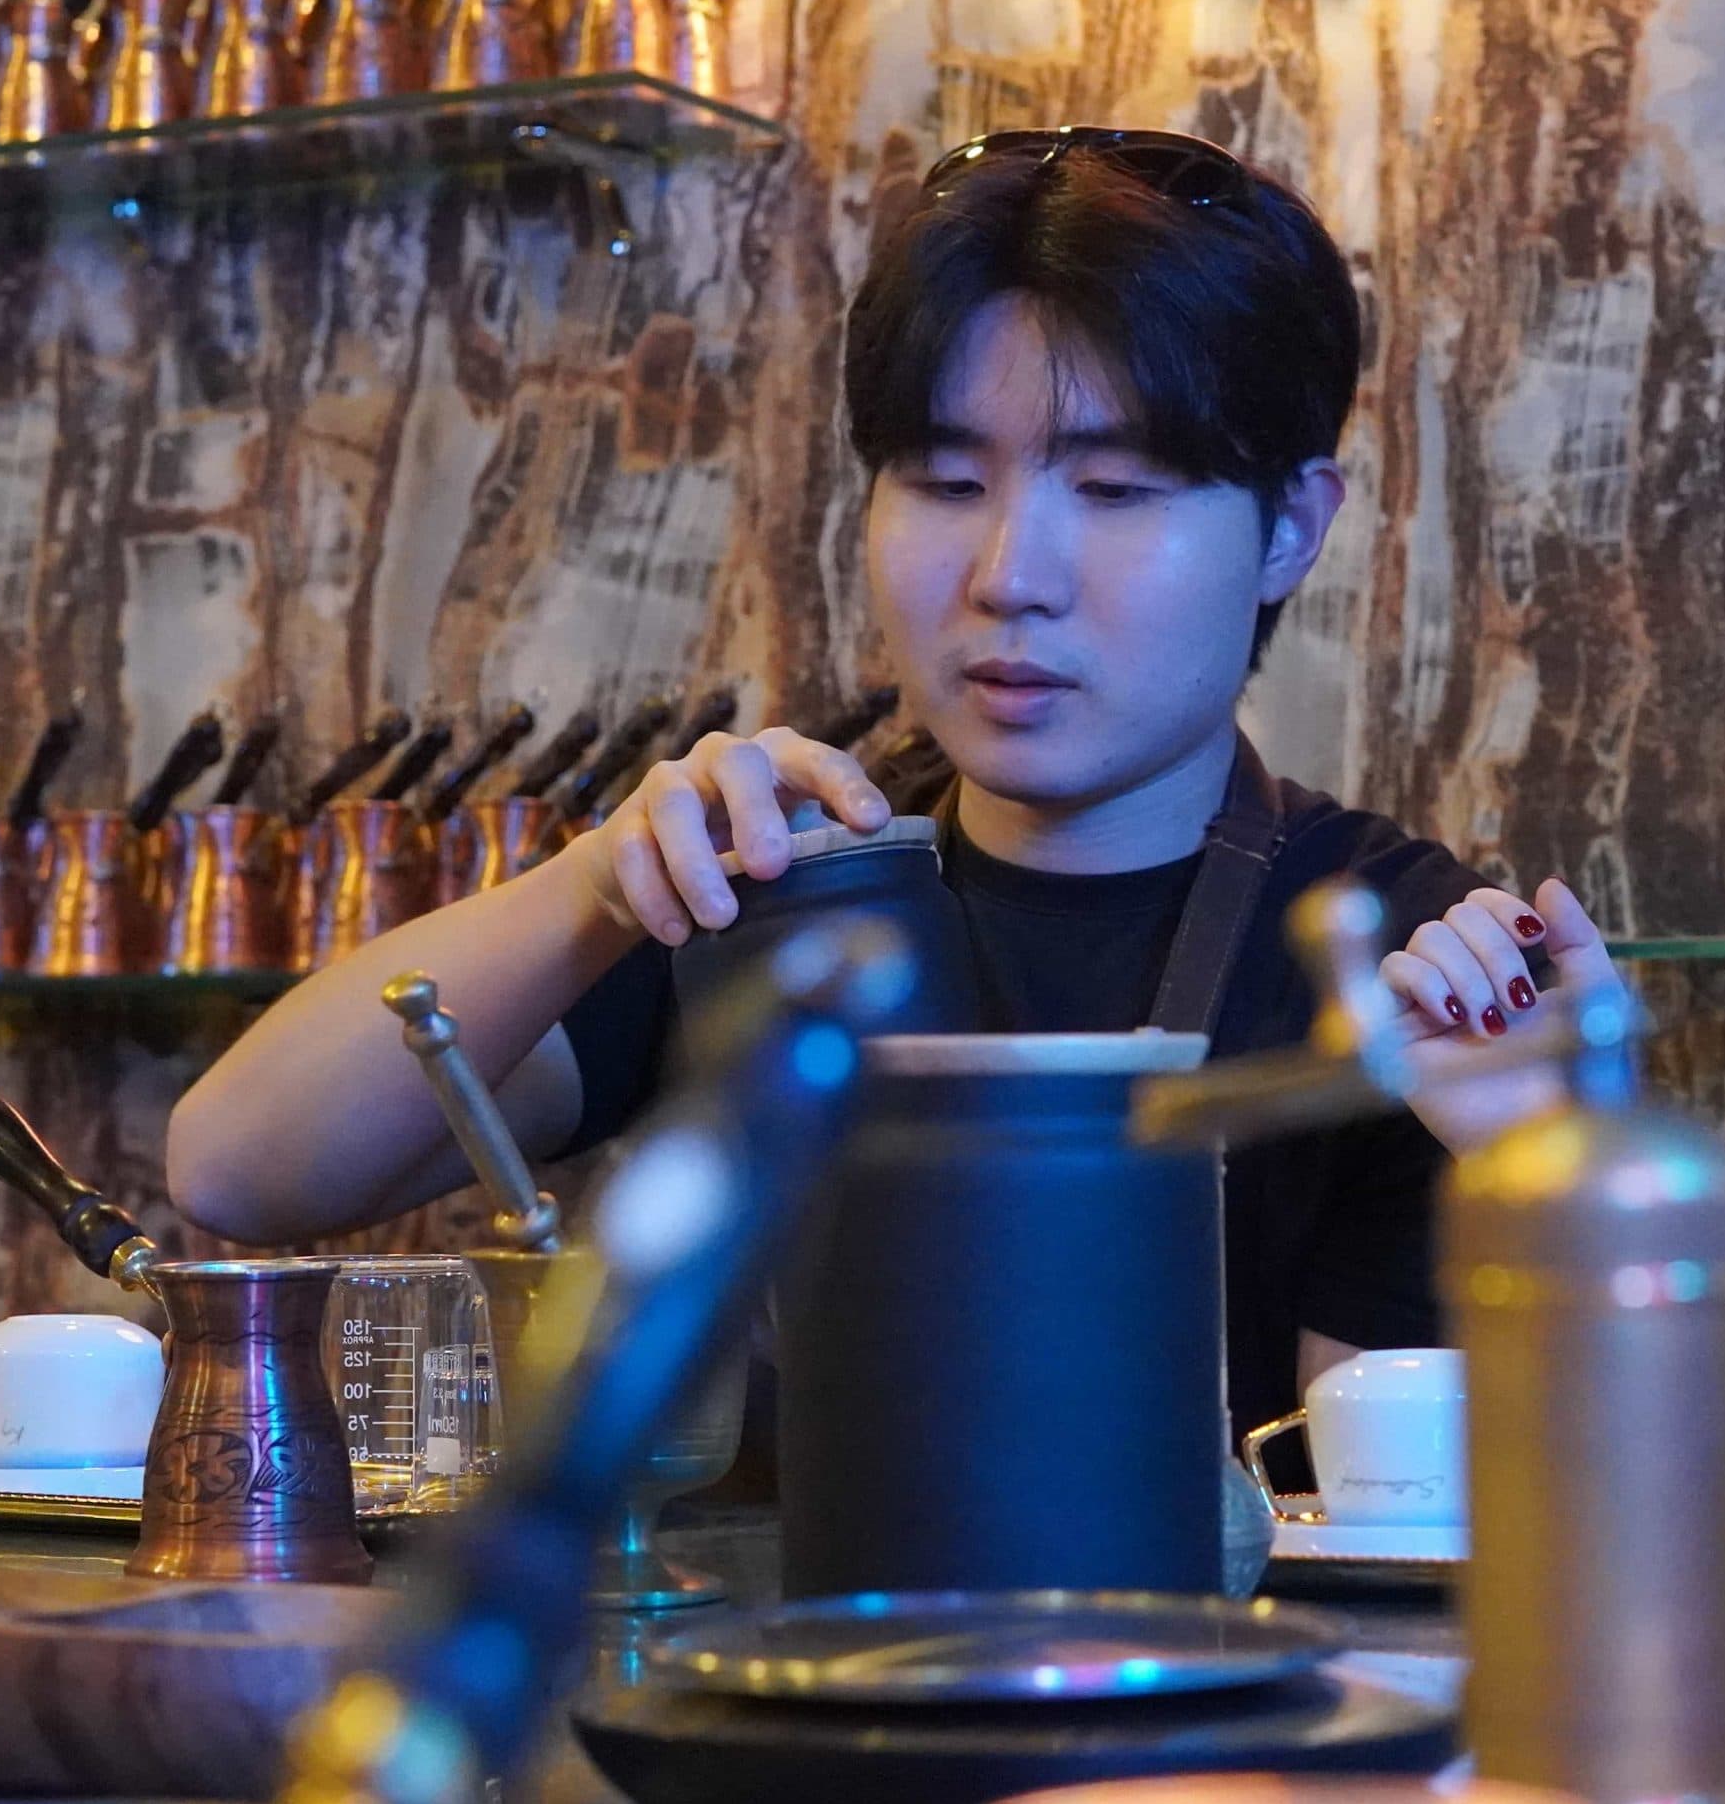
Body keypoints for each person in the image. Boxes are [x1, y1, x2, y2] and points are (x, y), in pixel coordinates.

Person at [167, 125, 1612, 1445]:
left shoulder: (1405, 967)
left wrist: (1535, 1176)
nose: (1009, 579)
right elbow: (240, 1173)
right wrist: (599, 886)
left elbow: (1395, 1556)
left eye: (1114, 492)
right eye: (943, 479)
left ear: (1290, 527)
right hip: (774, 1695)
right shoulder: (778, 893)